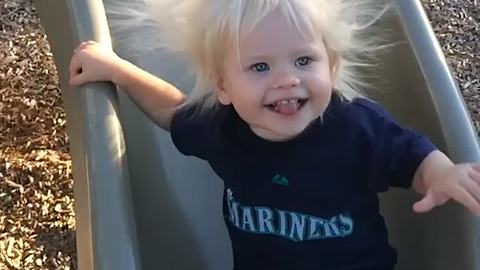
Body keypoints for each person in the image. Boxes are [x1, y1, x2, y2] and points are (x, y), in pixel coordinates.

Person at [68, 0, 480, 269]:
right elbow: (171, 111)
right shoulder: (221, 131)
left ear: (331, 68)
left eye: (303, 60)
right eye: (260, 67)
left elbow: (411, 154)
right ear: (223, 87)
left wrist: (442, 173)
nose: (287, 80)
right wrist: (118, 70)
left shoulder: (355, 127)